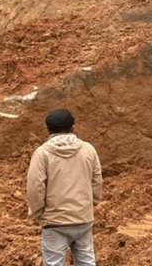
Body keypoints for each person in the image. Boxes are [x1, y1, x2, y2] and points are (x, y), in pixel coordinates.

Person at [27, 108, 103, 266]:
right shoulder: (88, 150)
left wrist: (38, 212)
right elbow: (97, 180)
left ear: (48, 129)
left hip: (55, 222)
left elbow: (35, 186)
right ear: (73, 127)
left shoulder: (42, 153)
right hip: (83, 218)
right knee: (87, 261)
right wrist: (91, 203)